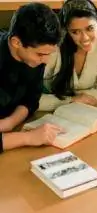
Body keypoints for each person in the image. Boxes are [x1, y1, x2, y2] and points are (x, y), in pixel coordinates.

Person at [0, 3, 62, 153]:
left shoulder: (35, 59)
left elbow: (32, 99)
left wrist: (10, 122)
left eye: (49, 54)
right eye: (41, 54)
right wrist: (27, 138)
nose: (46, 61)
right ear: (16, 42)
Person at [39, 0, 97, 111]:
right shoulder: (53, 48)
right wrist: (71, 100)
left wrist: (62, 99)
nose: (85, 38)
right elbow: (29, 99)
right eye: (75, 32)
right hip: (47, 115)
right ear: (66, 31)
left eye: (90, 28)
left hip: (82, 113)